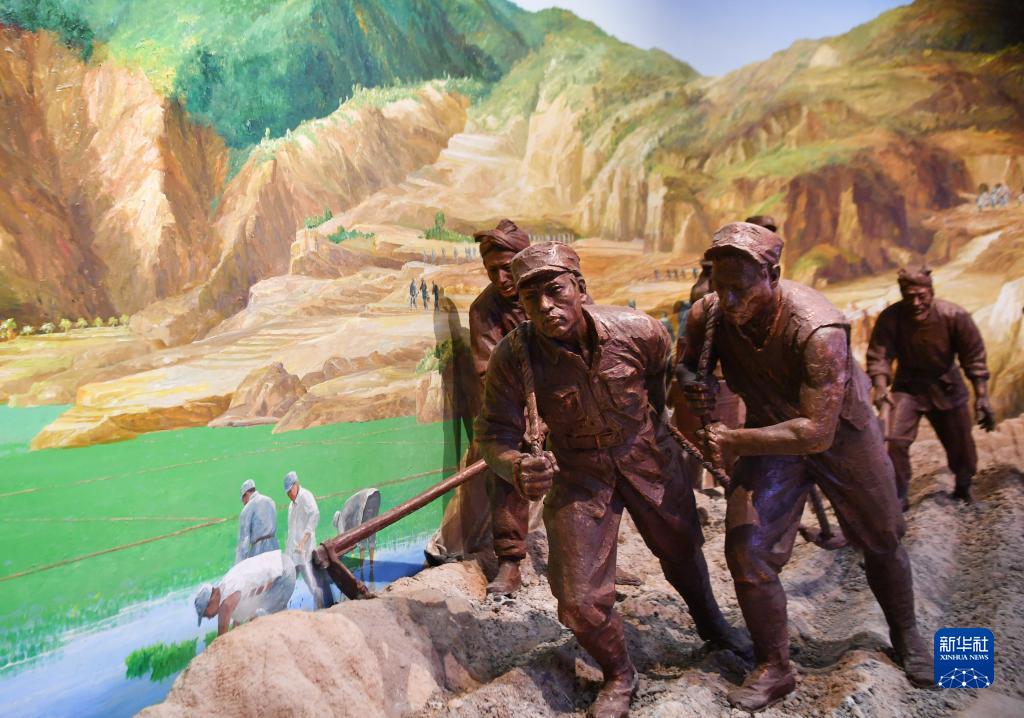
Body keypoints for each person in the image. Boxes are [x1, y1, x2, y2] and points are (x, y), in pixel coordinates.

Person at [477, 242, 749, 717]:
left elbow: (658, 380)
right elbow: (493, 435)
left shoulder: (639, 330)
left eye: (556, 291)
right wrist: (515, 465)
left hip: (646, 452)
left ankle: (711, 623)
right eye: (530, 298)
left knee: (682, 546)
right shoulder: (512, 357)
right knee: (578, 602)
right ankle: (620, 673)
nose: (546, 306)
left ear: (580, 288)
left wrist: (653, 426)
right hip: (579, 474)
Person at [676, 222, 932, 710]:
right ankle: (775, 666)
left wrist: (732, 439)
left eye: (740, 288)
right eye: (720, 286)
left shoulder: (819, 329)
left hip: (843, 438)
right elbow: (687, 364)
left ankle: (908, 635)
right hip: (770, 434)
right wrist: (694, 383)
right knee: (747, 551)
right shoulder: (709, 314)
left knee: (882, 537)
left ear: (773, 275)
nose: (728, 300)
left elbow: (816, 432)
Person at [866, 266, 994, 504]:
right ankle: (898, 496)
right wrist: (881, 386)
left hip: (947, 387)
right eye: (909, 297)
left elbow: (974, 358)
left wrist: (982, 396)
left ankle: (964, 485)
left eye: (921, 296)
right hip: (908, 388)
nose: (916, 303)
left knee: (961, 443)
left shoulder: (954, 315)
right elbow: (879, 356)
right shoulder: (891, 318)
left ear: (931, 292)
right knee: (893, 439)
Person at [194, 550, 296, 636]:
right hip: (282, 567)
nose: (208, 618)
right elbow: (237, 623)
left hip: (283, 573)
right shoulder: (226, 590)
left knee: (259, 620)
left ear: (211, 601)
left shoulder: (226, 600)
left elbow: (222, 637)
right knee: (258, 620)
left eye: (205, 614)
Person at [284, 471, 333, 609]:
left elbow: (314, 515)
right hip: (294, 554)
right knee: (288, 583)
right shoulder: (291, 506)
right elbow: (291, 532)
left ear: (296, 484)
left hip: (305, 552)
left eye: (290, 490)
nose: (289, 494)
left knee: (312, 583)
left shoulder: (305, 496)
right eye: (287, 492)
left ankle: (321, 608)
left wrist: (303, 541)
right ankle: (282, 612)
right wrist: (287, 554)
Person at [333, 488, 382, 563]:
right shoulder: (347, 512)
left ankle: (363, 564)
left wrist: (339, 554)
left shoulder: (341, 518)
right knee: (372, 532)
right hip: (375, 494)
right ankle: (371, 563)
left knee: (363, 538)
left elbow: (341, 535)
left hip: (366, 498)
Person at [235, 479, 278, 564]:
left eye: (243, 500)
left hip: (258, 551)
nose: (243, 503)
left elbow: (244, 540)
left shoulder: (247, 509)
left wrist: (239, 564)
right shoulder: (270, 501)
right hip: (274, 547)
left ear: (246, 494)